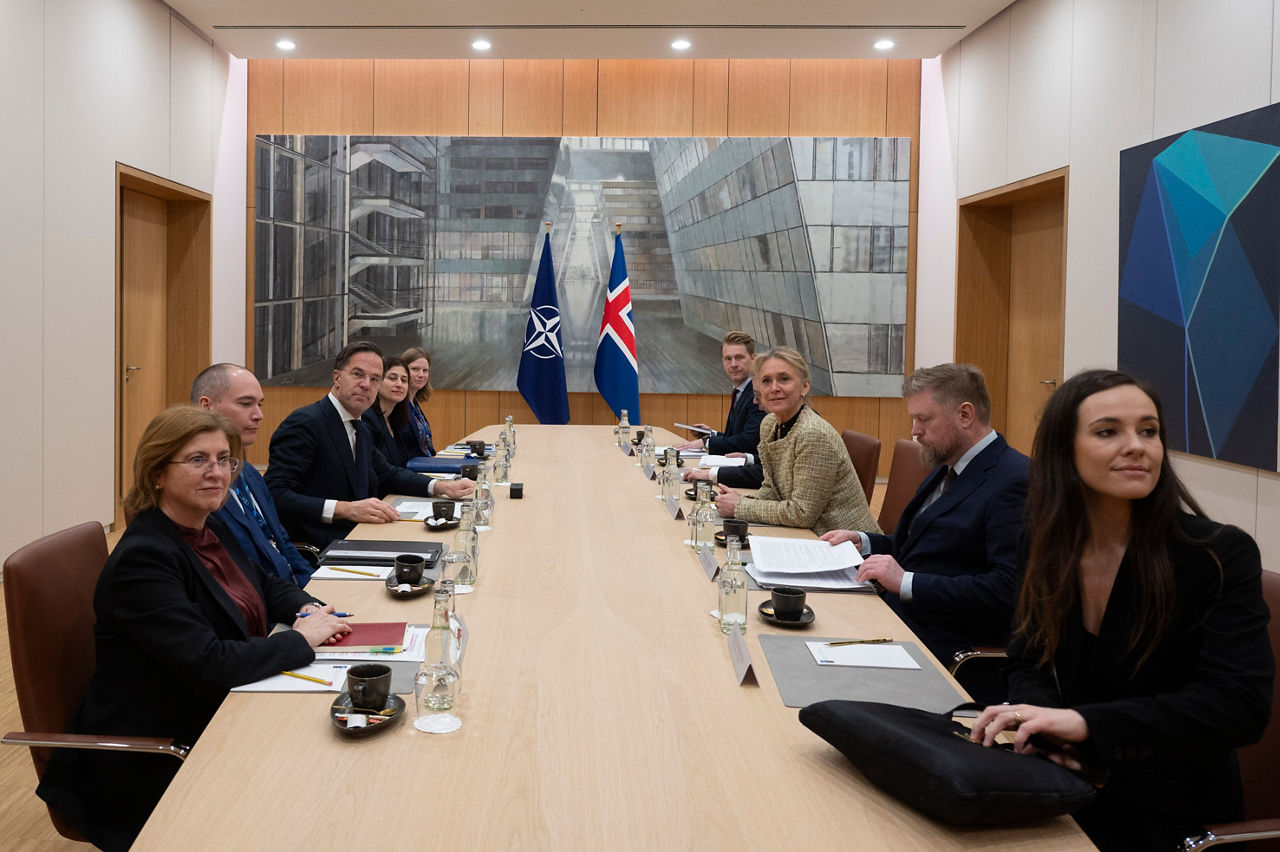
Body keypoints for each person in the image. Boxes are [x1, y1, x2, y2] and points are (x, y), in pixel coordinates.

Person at [970, 370, 1273, 851]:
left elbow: (1238, 706)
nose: (1137, 446)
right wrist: (1049, 728)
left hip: (1171, 815)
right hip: (1064, 788)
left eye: (1148, 431)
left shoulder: (1217, 554)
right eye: (1108, 431)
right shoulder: (1045, 541)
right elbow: (1027, 658)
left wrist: (1087, 726)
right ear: (1063, 450)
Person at [35, 406, 350, 851]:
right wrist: (301, 639)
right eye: (198, 460)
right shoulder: (144, 559)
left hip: (223, 712)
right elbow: (211, 663)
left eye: (224, 459)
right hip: (162, 753)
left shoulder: (207, 525)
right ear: (157, 473)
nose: (216, 473)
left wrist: (312, 609)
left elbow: (263, 582)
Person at [820, 363, 1029, 664]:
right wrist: (863, 541)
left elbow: (1007, 591)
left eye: (924, 419)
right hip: (898, 617)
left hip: (941, 641)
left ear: (965, 414)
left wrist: (906, 582)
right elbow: (919, 547)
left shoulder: (1015, 481)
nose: (914, 431)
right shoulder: (948, 466)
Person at [265, 342, 473, 549]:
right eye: (358, 374)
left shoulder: (359, 425)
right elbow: (274, 494)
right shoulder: (307, 422)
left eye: (375, 379)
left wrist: (440, 487)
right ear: (337, 378)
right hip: (324, 544)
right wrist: (344, 509)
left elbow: (389, 474)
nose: (366, 384)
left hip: (363, 533)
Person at [714, 346, 877, 536]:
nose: (774, 388)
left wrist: (740, 506)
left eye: (784, 379)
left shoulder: (812, 434)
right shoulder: (769, 424)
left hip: (845, 548)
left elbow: (801, 513)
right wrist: (740, 500)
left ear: (805, 386)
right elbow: (772, 489)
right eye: (766, 381)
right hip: (804, 537)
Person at [191, 363, 315, 586]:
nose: (259, 415)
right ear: (207, 406)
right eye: (246, 404)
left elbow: (282, 543)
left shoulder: (248, 472)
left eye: (259, 404)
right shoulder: (201, 486)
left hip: (293, 596)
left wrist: (316, 587)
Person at [362, 355, 411, 467]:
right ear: (376, 381)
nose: (399, 384)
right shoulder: (367, 418)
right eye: (392, 378)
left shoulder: (395, 419)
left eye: (404, 380)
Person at [400, 346, 436, 459]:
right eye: (415, 369)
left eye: (425, 370)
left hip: (426, 464)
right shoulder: (397, 404)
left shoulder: (414, 404)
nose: (421, 375)